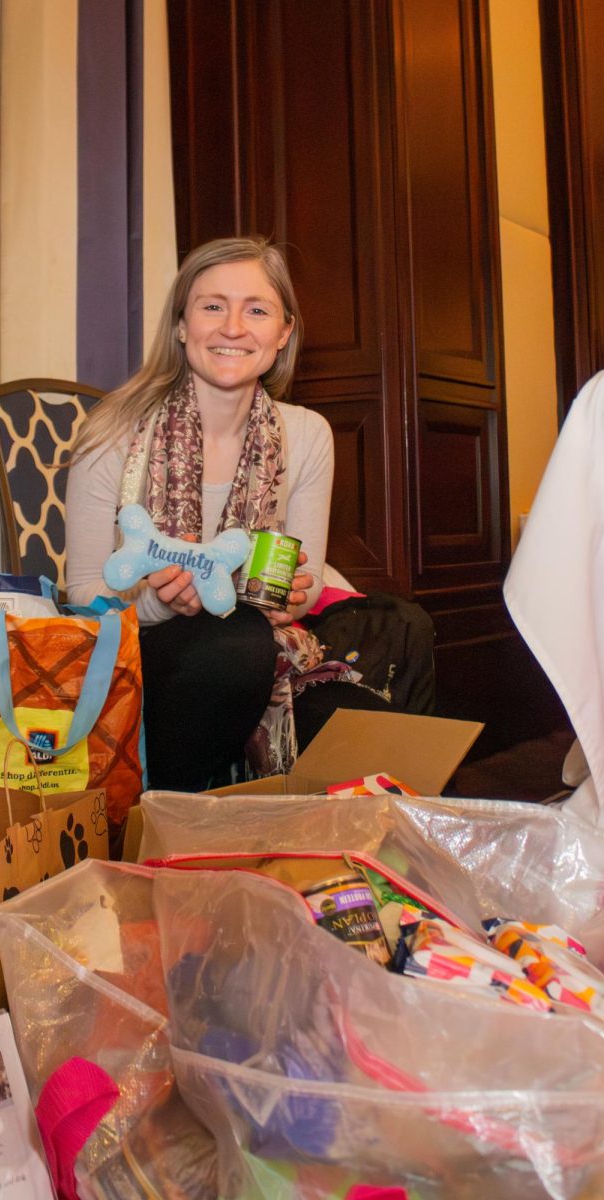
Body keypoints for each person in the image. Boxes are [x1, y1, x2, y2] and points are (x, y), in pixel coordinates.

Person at [65, 236, 368, 791]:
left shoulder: (306, 435)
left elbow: (305, 574)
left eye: (256, 309)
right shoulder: (111, 431)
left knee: (403, 632)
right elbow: (82, 592)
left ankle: (340, 833)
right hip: (143, 649)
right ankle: (159, 820)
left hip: (254, 636)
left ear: (283, 333)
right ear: (181, 325)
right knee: (238, 645)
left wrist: (296, 595)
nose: (233, 327)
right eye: (212, 306)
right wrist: (157, 601)